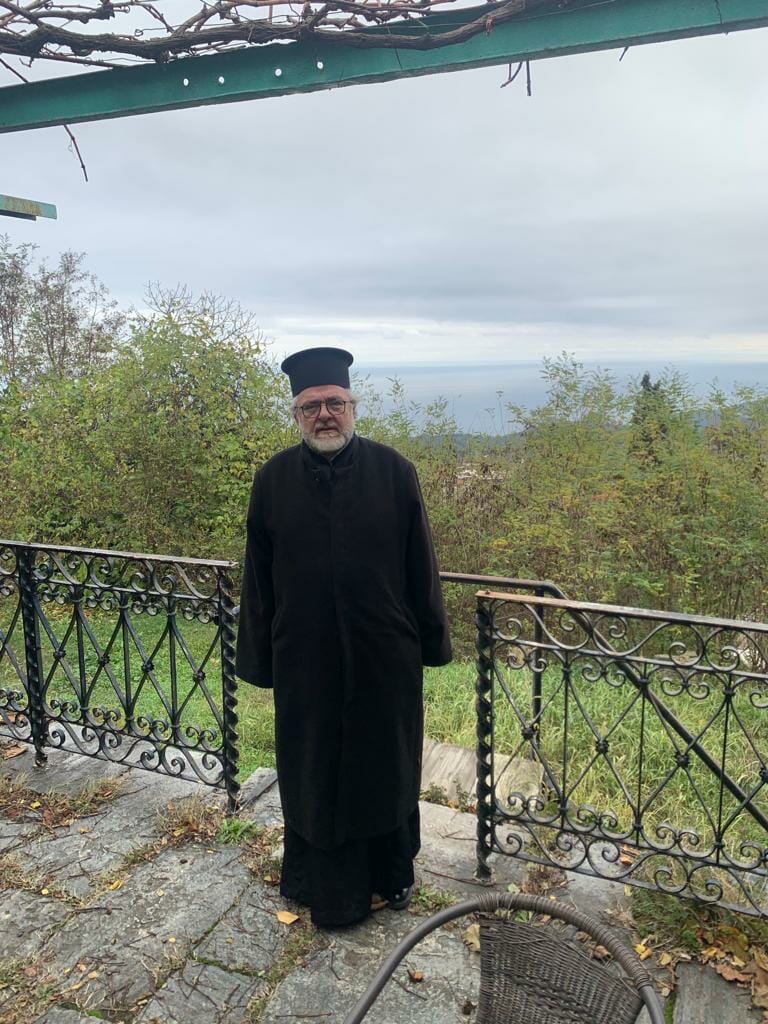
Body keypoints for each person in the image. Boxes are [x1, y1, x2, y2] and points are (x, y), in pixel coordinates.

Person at [235, 346, 452, 927]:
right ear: (296, 415)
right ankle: (320, 886)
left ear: (353, 406)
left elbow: (421, 564)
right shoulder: (272, 480)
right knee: (312, 770)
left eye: (334, 402)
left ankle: (389, 877)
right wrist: (259, 658)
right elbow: (258, 576)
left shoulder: (394, 472)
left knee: (383, 768)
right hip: (304, 659)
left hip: (384, 656)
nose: (324, 414)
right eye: (310, 407)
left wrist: (432, 639)